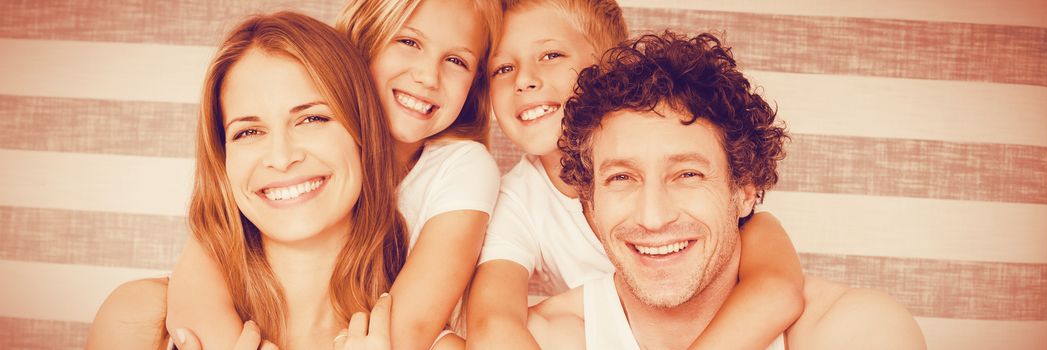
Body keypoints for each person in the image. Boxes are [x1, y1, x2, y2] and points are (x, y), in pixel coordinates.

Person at [521, 31, 927, 349]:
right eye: (622, 178)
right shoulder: (537, 339)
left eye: (688, 175)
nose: (653, 217)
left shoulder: (855, 330)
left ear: (745, 189)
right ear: (590, 203)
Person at [166, 0, 503, 348]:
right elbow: (211, 244)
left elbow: (410, 328)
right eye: (408, 42)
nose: (427, 76)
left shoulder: (461, 167)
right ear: (362, 40)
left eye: (456, 60)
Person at [467, 1, 804, 348]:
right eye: (503, 68)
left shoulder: (726, 205)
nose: (523, 80)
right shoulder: (515, 203)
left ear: (612, 66)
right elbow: (492, 323)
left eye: (551, 55)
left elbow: (778, 290)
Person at [89, 11, 404, 350]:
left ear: (363, 134)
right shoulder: (140, 322)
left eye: (312, 118)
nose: (282, 158)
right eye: (249, 131)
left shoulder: (425, 339)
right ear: (223, 159)